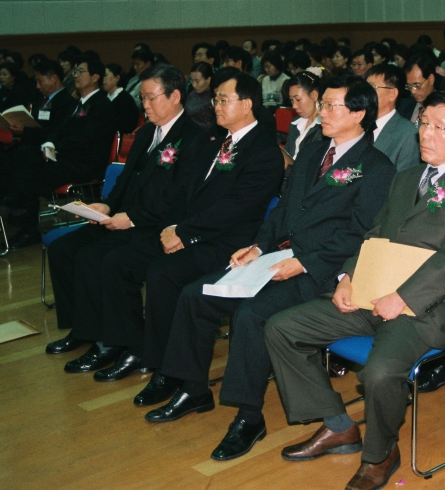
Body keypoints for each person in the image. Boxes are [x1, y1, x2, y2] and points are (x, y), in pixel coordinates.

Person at [264, 88, 445, 490]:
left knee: (377, 373)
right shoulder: (407, 176)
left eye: (438, 127)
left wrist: (405, 297)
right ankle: (339, 425)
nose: (425, 134)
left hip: (431, 308)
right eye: (423, 124)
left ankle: (380, 454)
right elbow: (374, 233)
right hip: (373, 292)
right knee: (282, 328)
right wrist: (348, 277)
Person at [146, 77, 396, 463]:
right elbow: (282, 210)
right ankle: (193, 387)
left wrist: (304, 262)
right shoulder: (313, 152)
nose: (321, 113)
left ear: (359, 114)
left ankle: (249, 416)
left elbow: (361, 234)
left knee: (252, 315)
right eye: (323, 105)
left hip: (321, 270)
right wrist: (258, 246)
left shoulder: (377, 167)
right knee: (196, 295)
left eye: (332, 107)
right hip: (275, 256)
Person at [78, 69, 283, 393]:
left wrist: (185, 233)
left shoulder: (264, 152)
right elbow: (190, 192)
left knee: (164, 274)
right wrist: (174, 227)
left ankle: (168, 371)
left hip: (229, 245)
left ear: (247, 104)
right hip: (196, 232)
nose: (215, 105)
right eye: (214, 99)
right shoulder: (221, 142)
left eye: (223, 100)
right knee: (120, 260)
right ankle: (138, 350)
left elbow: (234, 208)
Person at [44, 65, 205, 358]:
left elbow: (178, 200)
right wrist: (107, 205)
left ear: (175, 96)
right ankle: (82, 328)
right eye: (142, 98)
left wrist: (131, 218)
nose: (145, 105)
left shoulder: (194, 138)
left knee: (96, 257)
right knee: (62, 250)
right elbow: (126, 178)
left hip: (154, 224)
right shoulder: (145, 134)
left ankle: (115, 341)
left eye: (151, 98)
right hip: (123, 216)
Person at [0, 57, 116, 249]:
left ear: (95, 77)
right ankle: (24, 217)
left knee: (29, 169)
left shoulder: (102, 104)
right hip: (67, 158)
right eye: (74, 71)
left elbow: (86, 138)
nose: (75, 75)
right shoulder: (78, 103)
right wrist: (49, 144)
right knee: (24, 157)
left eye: (80, 71)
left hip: (85, 163)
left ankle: (24, 216)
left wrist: (55, 148)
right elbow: (59, 129)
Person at [364, 65, 421, 171]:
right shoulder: (358, 125)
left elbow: (404, 181)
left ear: (392, 94)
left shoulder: (409, 134)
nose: (365, 94)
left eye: (372, 88)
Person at [283, 70, 325, 161]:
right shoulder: (295, 123)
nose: (294, 106)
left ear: (314, 95)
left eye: (298, 99)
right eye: (291, 100)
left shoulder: (324, 126)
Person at [398, 55, 438, 123]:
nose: (413, 91)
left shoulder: (444, 108)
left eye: (417, 85)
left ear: (431, 79)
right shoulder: (402, 106)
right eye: (409, 86)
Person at [103, 63, 141, 134]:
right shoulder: (103, 97)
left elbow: (127, 126)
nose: (103, 79)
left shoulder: (126, 100)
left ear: (117, 77)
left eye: (105, 76)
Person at [186, 61, 216, 132]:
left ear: (208, 79)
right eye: (192, 81)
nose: (194, 85)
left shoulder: (215, 97)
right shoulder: (191, 95)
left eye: (197, 81)